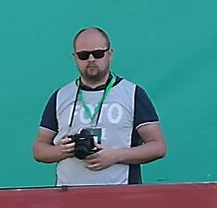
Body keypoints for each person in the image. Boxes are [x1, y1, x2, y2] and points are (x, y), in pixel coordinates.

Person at [33, 27, 167, 186]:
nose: (91, 59)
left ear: (110, 53)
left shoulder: (132, 93)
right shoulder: (61, 96)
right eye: (83, 55)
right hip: (68, 194)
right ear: (74, 57)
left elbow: (158, 147)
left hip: (120, 193)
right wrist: (60, 151)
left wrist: (115, 156)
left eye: (98, 54)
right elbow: (39, 149)